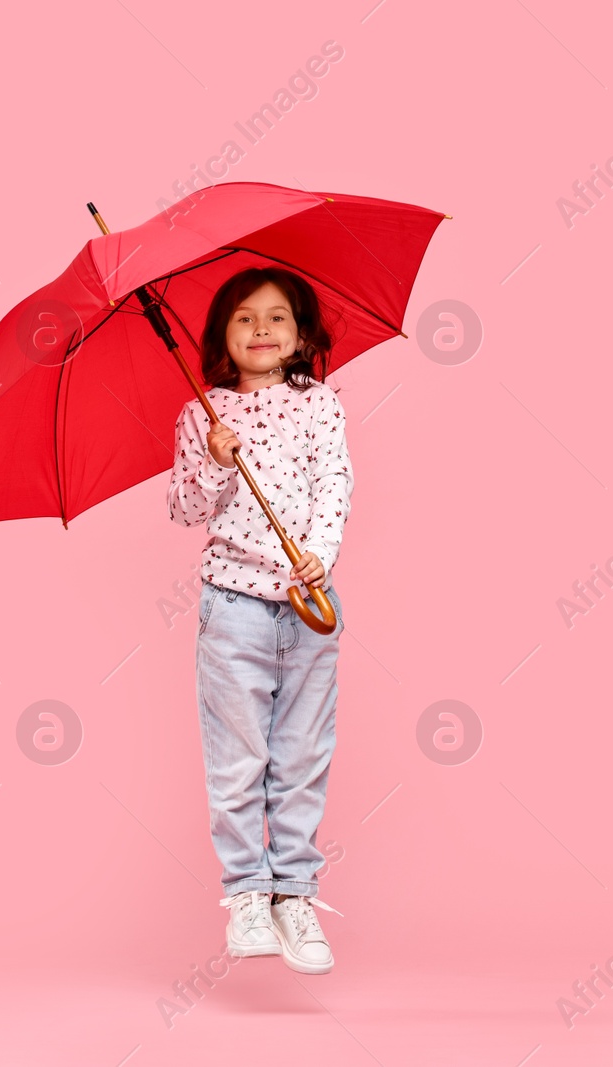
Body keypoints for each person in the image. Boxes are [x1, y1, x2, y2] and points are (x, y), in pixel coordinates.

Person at [166, 265, 353, 975]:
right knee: (240, 757)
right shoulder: (202, 416)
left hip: (310, 605)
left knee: (302, 756)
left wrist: (320, 555)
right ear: (222, 336)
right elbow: (184, 510)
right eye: (244, 318)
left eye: (277, 317)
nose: (262, 329)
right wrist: (215, 463)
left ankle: (294, 895)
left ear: (301, 335)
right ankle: (247, 891)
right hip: (234, 607)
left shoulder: (319, 405)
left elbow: (335, 481)